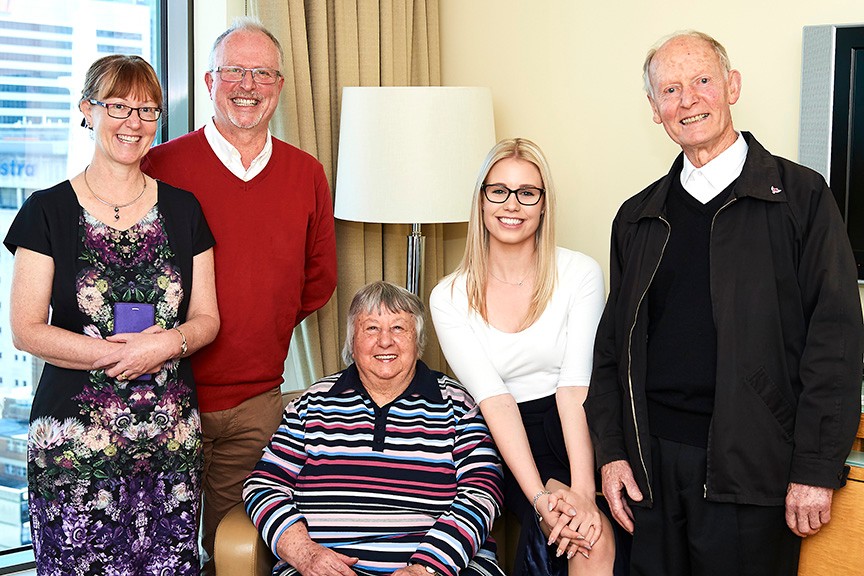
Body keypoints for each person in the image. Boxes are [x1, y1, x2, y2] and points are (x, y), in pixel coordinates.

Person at [585, 30, 864, 576]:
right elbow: (613, 347)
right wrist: (613, 452)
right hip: (652, 473)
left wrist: (815, 467)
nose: (688, 100)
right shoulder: (637, 217)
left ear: (732, 86)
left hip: (754, 470)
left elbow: (836, 341)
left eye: (702, 81)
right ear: (654, 108)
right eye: (670, 89)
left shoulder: (803, 199)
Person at [4, 54, 219, 574]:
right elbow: (26, 329)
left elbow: (207, 318)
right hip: (75, 443)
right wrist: (118, 353)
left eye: (148, 110)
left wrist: (166, 344)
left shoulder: (185, 209)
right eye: (118, 106)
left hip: (170, 442)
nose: (134, 122)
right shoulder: (46, 210)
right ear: (87, 110)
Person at [140, 18, 338, 572]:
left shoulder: (307, 174)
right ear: (209, 81)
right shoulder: (163, 166)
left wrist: (259, 320)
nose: (247, 85)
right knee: (156, 550)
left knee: (236, 555)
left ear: (278, 86)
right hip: (165, 400)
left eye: (262, 73)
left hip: (257, 408)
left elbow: (318, 281)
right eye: (233, 71)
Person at [430, 138, 615, 576]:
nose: (512, 205)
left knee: (592, 532)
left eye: (527, 192)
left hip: (577, 424)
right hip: (503, 437)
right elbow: (495, 401)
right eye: (499, 190)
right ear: (481, 199)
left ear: (544, 204)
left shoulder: (580, 273)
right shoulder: (448, 297)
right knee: (577, 532)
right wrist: (540, 499)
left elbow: (575, 389)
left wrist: (584, 491)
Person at [243, 281, 504, 576]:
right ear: (352, 341)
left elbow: (483, 492)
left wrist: (426, 567)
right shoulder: (311, 404)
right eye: (371, 329)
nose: (385, 342)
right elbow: (264, 485)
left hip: (440, 568)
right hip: (324, 568)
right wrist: (305, 554)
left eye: (398, 328)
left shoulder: (458, 405)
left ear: (417, 342)